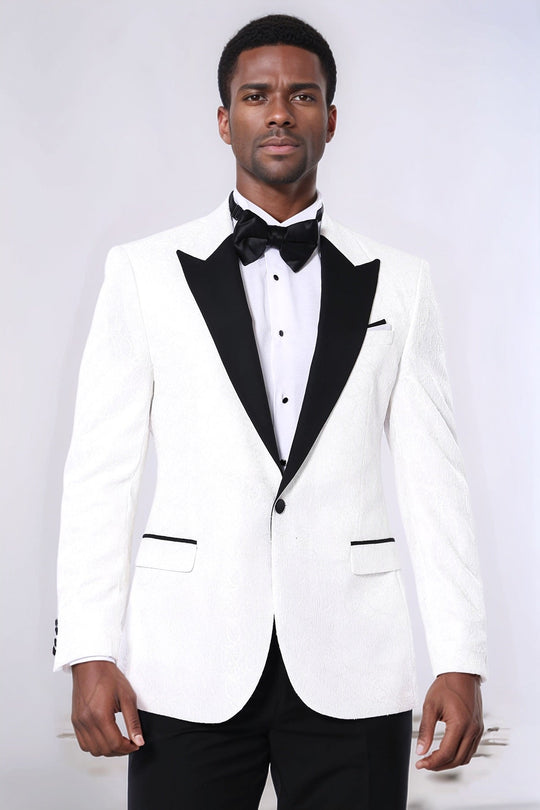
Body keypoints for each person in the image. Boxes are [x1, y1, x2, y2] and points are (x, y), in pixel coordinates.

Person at [53, 13, 488, 810]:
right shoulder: (143, 275)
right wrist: (87, 647)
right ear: (225, 121)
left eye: (302, 95)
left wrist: (461, 658)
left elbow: (437, 483)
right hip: (187, 661)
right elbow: (100, 475)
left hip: (355, 659)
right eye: (256, 96)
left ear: (332, 119)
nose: (280, 113)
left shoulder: (402, 283)